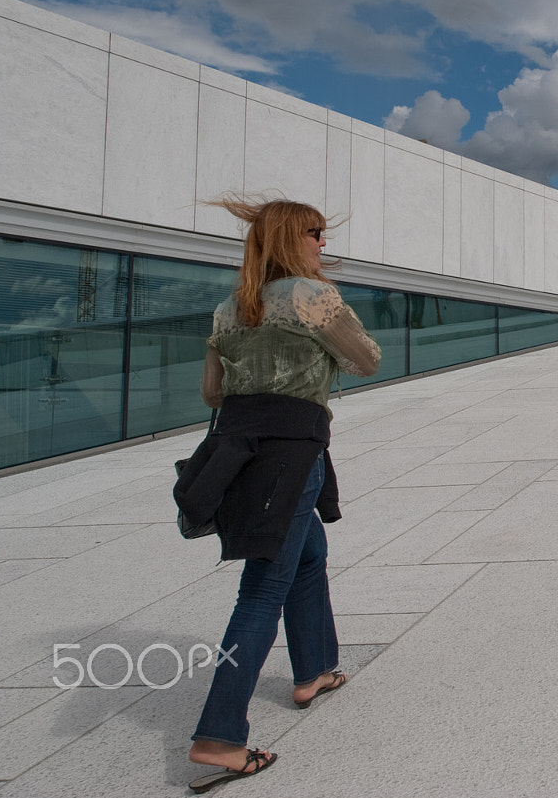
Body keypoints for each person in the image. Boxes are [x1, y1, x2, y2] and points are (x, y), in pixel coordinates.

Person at [174, 198, 381, 793]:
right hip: (293, 456)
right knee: (262, 589)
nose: (323, 244)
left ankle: (313, 669)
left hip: (244, 456)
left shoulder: (227, 309)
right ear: (294, 240)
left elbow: (214, 394)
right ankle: (218, 736)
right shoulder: (313, 298)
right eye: (316, 234)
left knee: (308, 557)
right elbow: (366, 359)